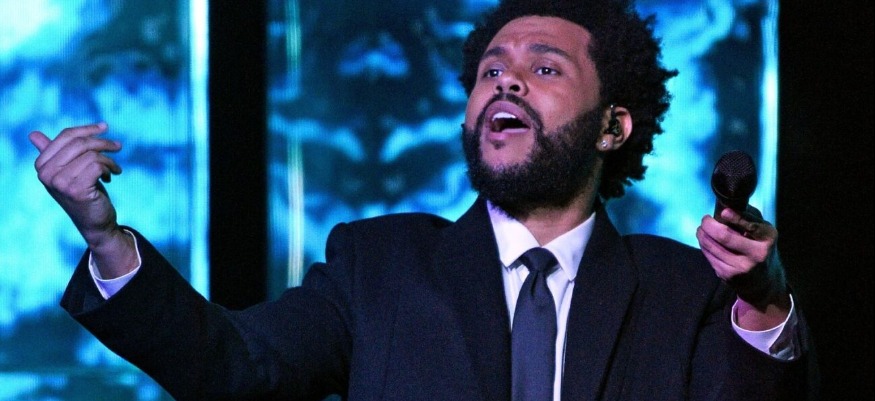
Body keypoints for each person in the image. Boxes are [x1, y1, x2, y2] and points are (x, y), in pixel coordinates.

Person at [30, 0, 817, 400]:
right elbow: (235, 369)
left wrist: (762, 304)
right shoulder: (376, 265)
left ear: (613, 125)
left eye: (543, 68)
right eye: (490, 71)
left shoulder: (682, 287)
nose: (506, 81)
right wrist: (106, 240)